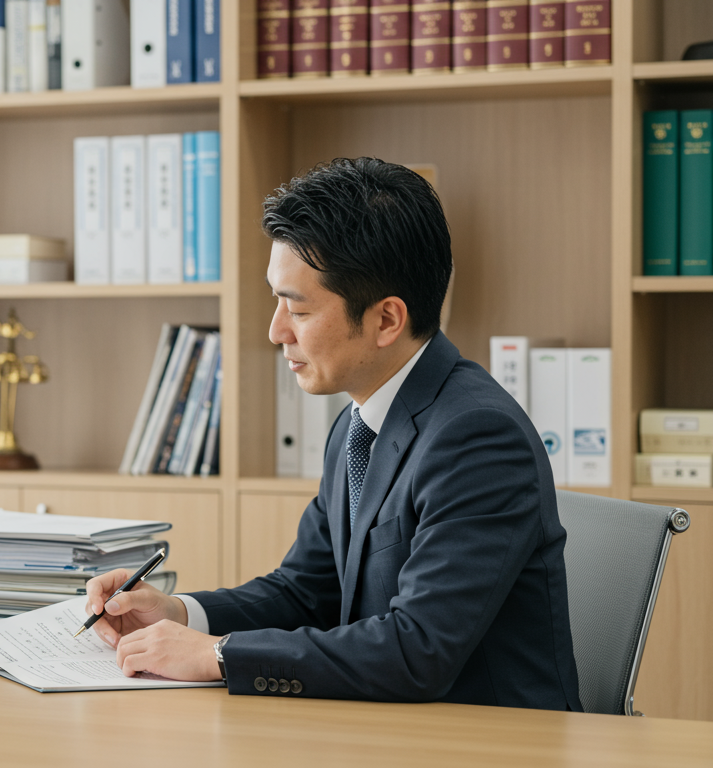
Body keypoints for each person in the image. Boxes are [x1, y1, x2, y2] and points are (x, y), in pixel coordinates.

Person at [85, 158, 582, 710]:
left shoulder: (478, 438)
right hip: (389, 728)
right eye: (276, 301)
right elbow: (305, 590)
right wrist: (180, 614)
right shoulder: (358, 422)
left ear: (386, 320)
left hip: (491, 738)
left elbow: (417, 650)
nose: (275, 331)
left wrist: (218, 654)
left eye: (297, 309)